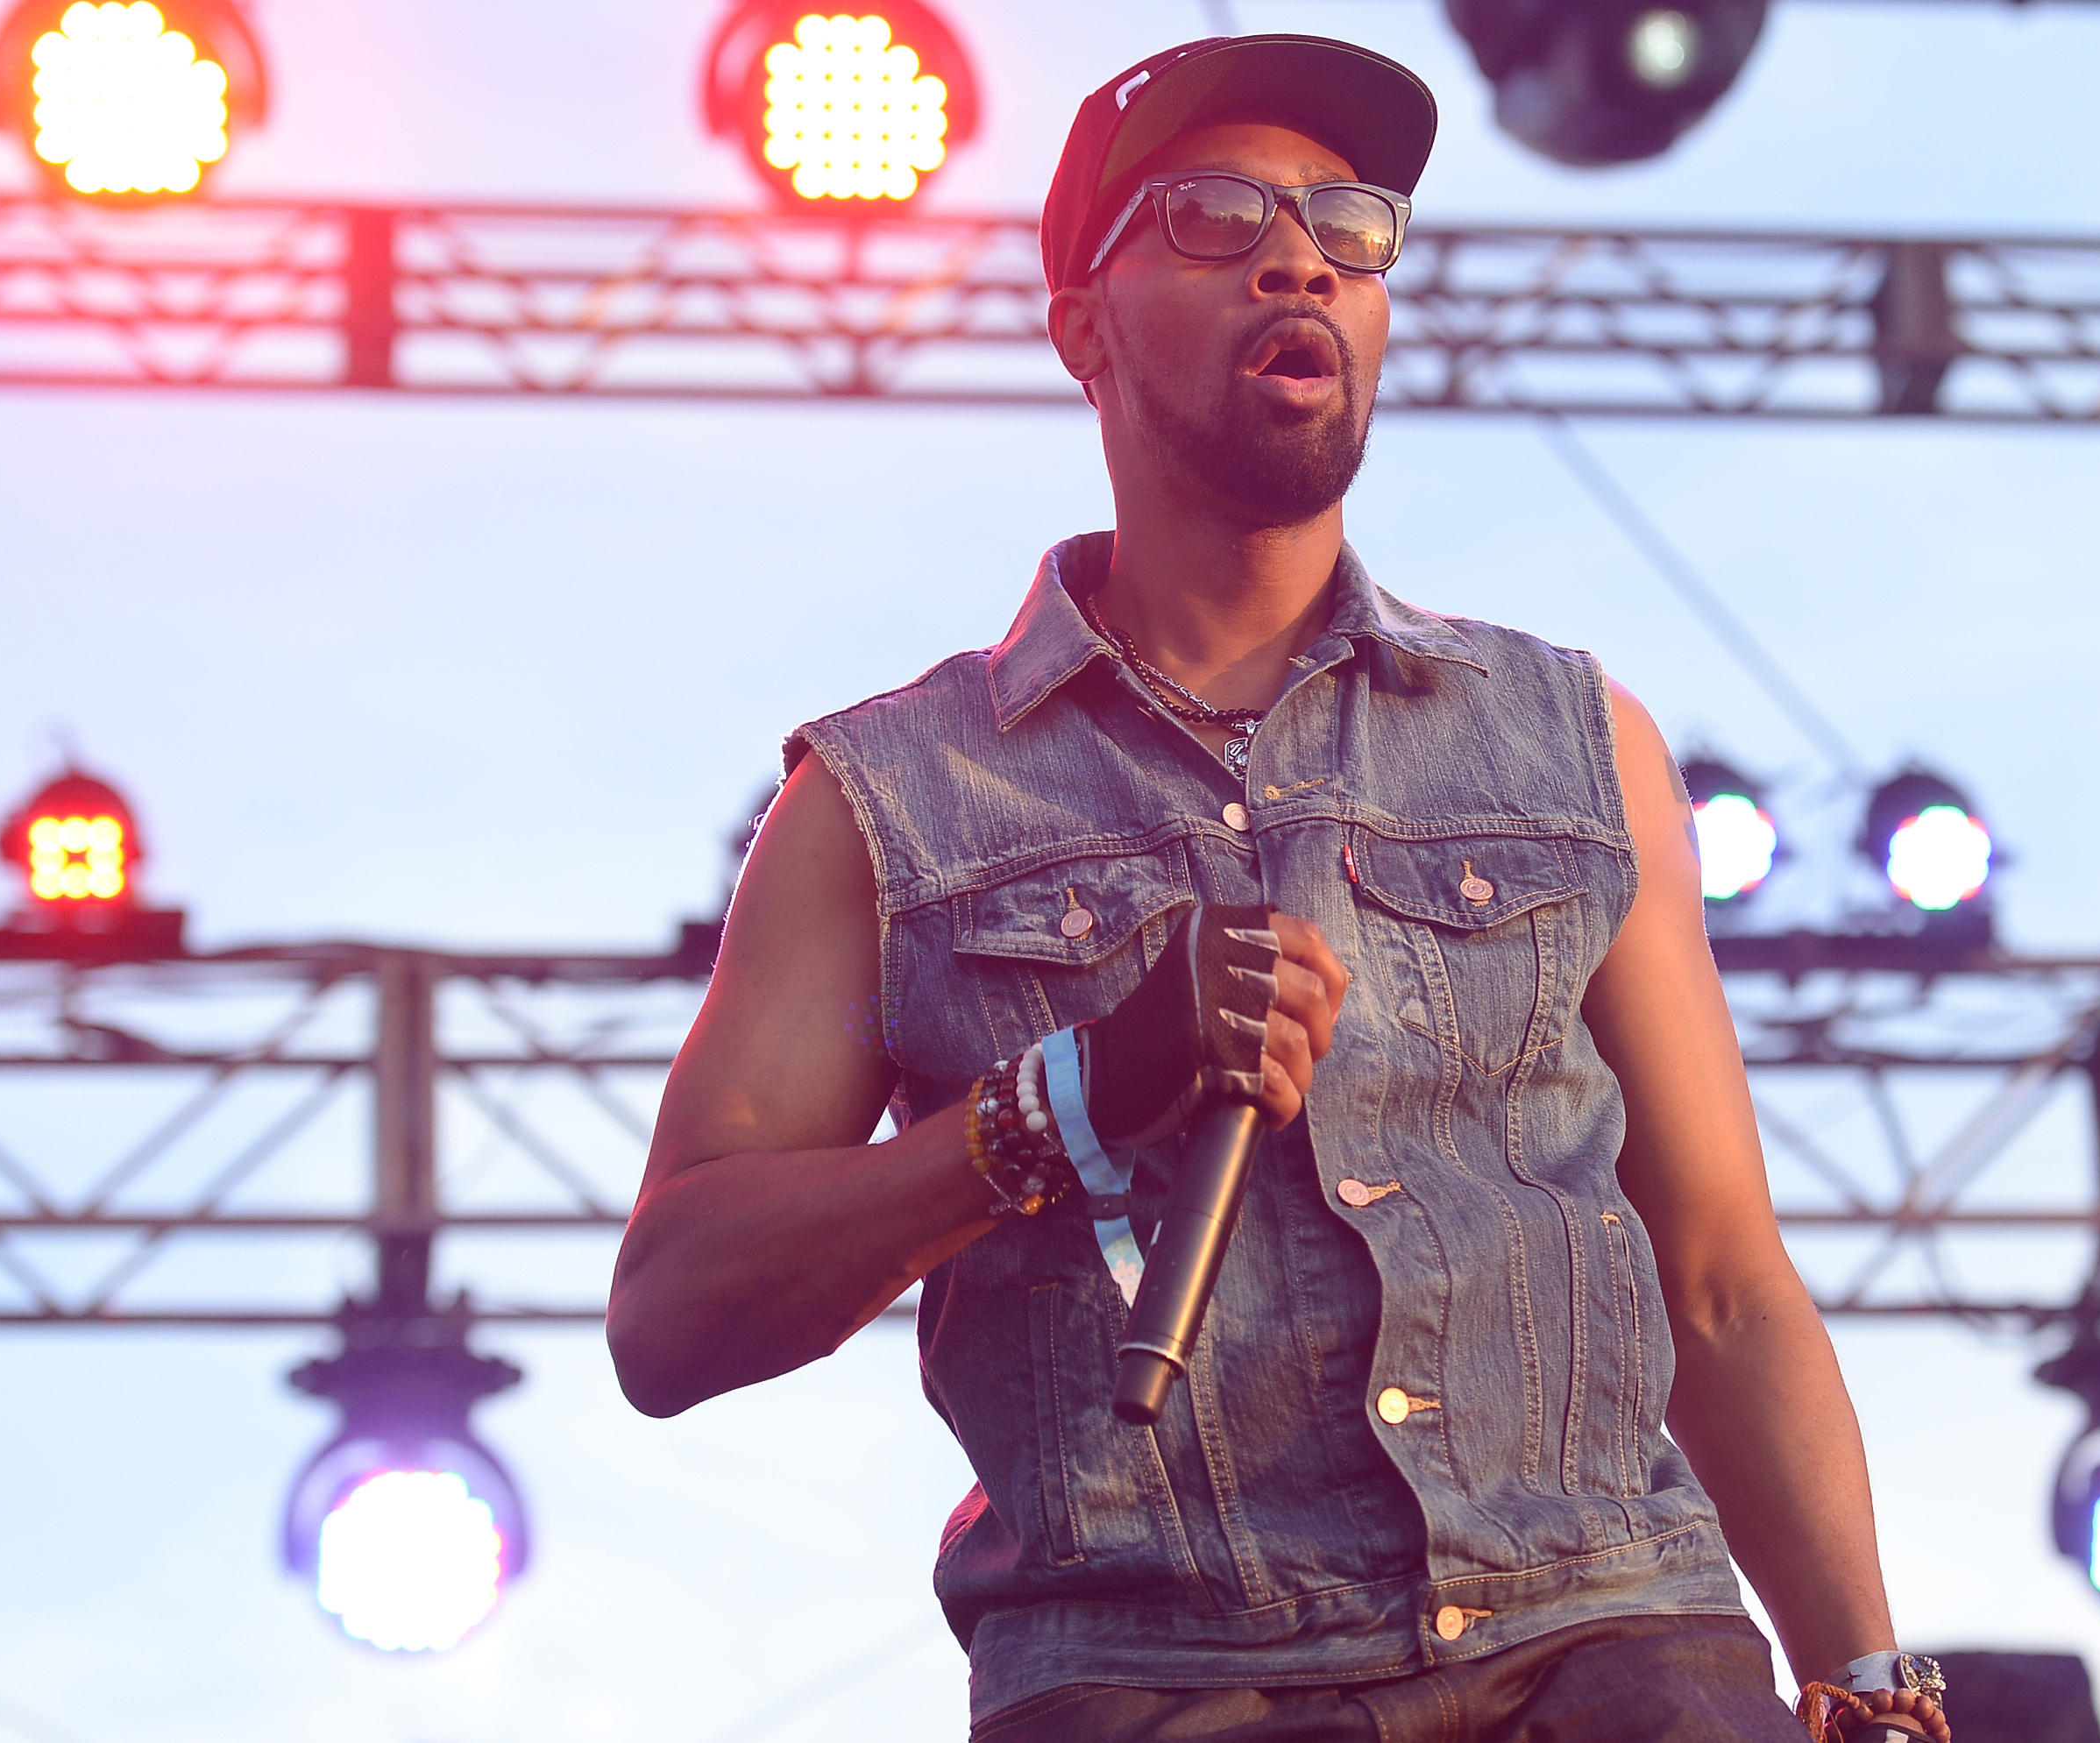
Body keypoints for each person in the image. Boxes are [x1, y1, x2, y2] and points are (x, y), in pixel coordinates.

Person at [607, 34, 1941, 1742]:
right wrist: (1058, 1103)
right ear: (1079, 323)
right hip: (1158, 1680)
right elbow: (669, 1311)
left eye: (1347, 221)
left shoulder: (1574, 739)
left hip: (1606, 1644)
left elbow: (1723, 1282)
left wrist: (1876, 1683)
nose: (1299, 253)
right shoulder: (883, 801)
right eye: (1213, 212)